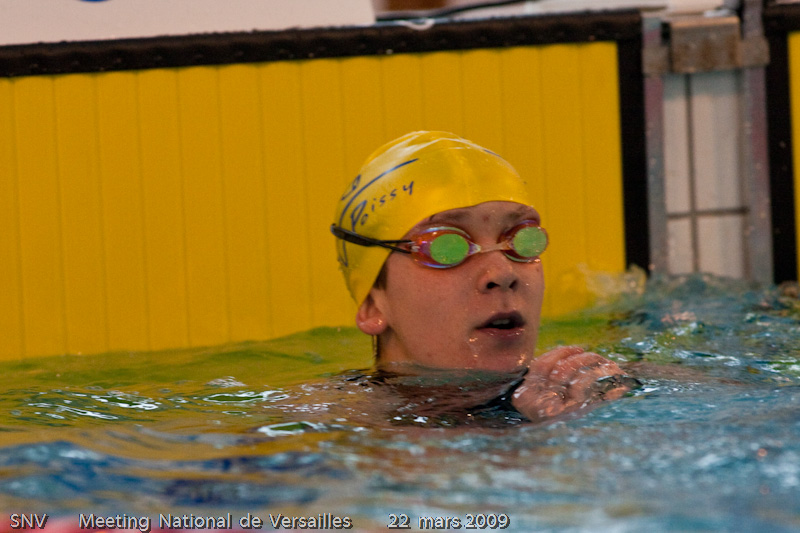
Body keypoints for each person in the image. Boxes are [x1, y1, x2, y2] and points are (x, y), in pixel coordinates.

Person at [331, 131, 638, 423]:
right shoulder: (335, 427)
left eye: (520, 239)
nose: (503, 273)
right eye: (447, 247)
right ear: (372, 304)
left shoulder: (605, 386)